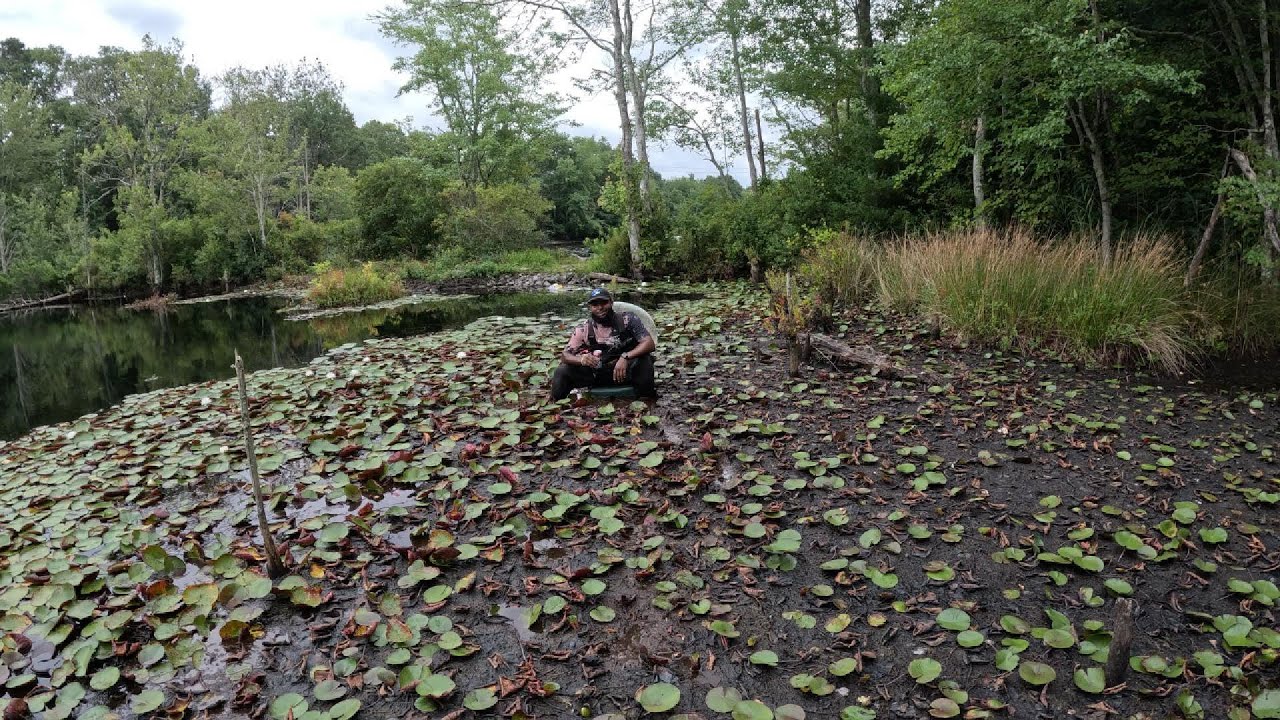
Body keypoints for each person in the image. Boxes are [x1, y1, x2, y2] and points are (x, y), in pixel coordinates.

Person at [550, 288, 657, 400]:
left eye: (604, 303)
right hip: (597, 374)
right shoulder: (584, 328)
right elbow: (565, 355)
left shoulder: (628, 319)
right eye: (595, 305)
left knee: (645, 360)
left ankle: (646, 399)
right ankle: (556, 405)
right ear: (590, 307)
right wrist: (581, 359)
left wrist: (626, 356)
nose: (600, 308)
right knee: (562, 370)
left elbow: (649, 343)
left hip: (626, 372)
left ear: (611, 302)